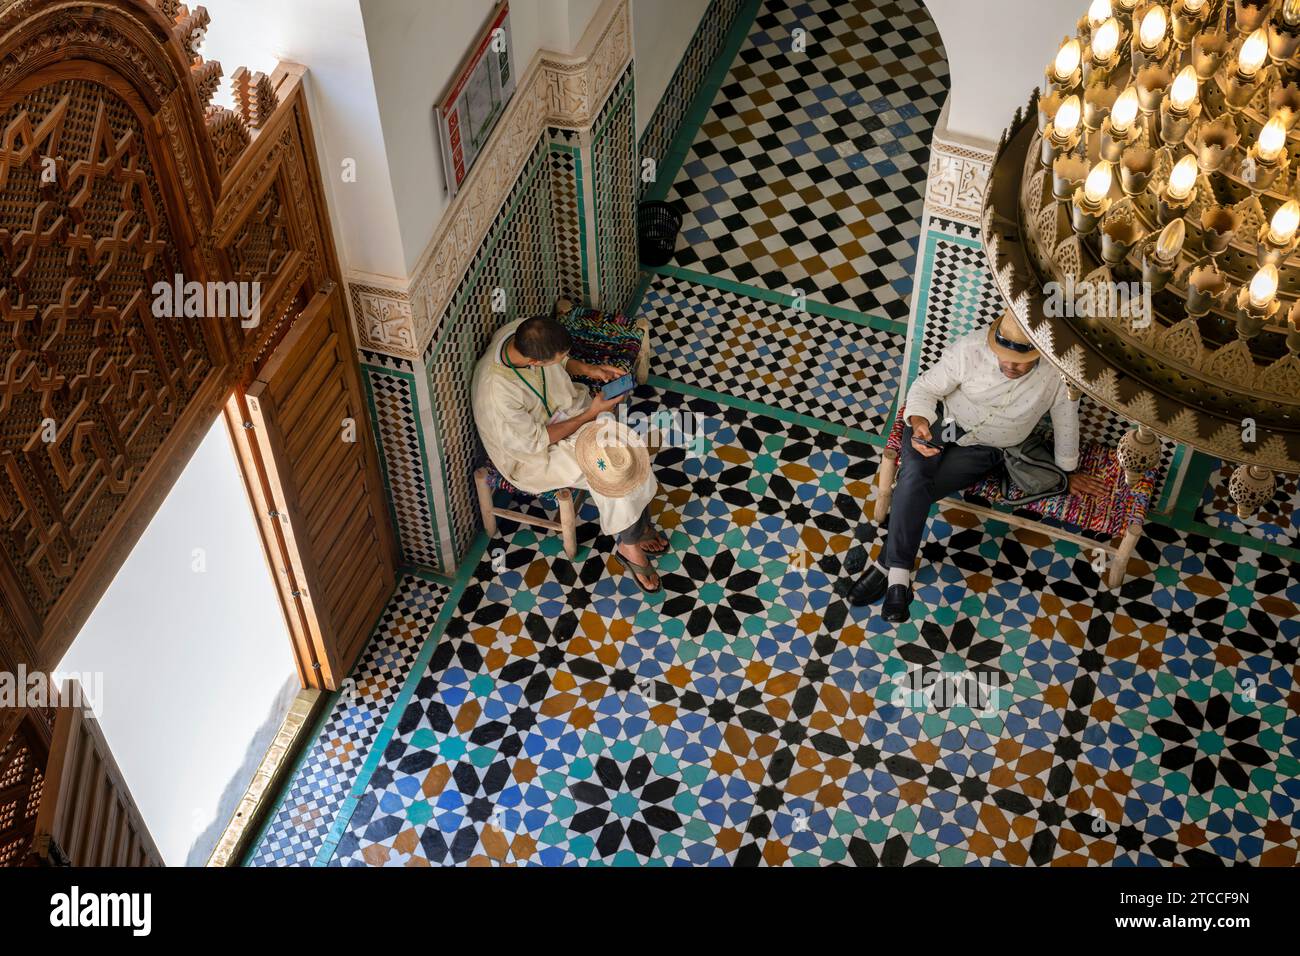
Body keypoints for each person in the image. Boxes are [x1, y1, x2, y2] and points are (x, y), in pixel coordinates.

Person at [848, 311, 1109, 622]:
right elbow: (924, 388)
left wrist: (1067, 469)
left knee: (917, 485)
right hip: (940, 423)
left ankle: (886, 568)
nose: (1010, 364)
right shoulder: (970, 349)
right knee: (916, 472)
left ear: (1040, 351)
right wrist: (918, 422)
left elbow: (1066, 422)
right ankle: (898, 579)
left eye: (1021, 359)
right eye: (1005, 356)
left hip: (986, 448)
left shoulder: (1059, 374)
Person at [471, 313, 666, 592]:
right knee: (612, 476)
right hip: (536, 456)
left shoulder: (521, 332)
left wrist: (590, 370)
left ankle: (636, 527)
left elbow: (561, 361)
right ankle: (629, 545)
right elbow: (537, 440)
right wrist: (592, 413)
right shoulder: (496, 394)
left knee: (628, 451)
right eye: (553, 360)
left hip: (569, 414)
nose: (561, 362)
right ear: (535, 363)